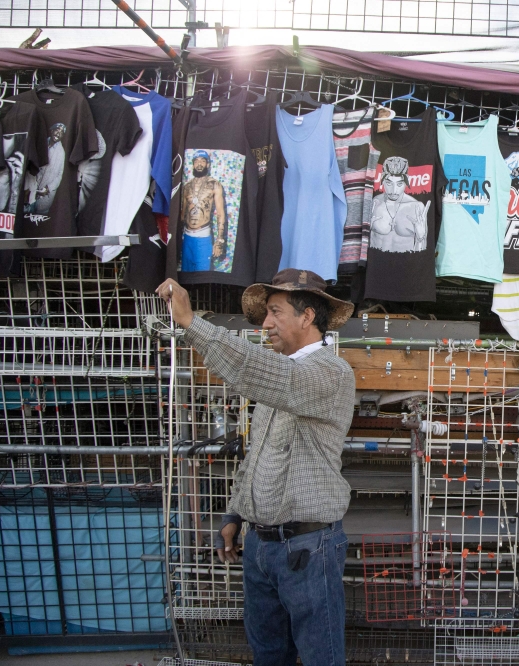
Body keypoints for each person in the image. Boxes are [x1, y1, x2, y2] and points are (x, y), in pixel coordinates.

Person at [156, 268, 356, 666]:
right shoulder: (279, 378)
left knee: (321, 657)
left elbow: (262, 372)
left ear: (307, 316)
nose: (265, 323)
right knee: (268, 655)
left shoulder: (330, 373)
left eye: (275, 312)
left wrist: (192, 324)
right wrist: (235, 512)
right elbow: (257, 455)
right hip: (261, 548)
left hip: (307, 548)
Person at [369, 155, 429, 253]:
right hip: (378, 265)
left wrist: (420, 238)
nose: (394, 190)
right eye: (389, 183)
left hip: (406, 265)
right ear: (382, 179)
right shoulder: (375, 203)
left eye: (399, 184)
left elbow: (422, 252)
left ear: (407, 181)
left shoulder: (416, 207)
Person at [182, 149, 228, 271]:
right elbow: (182, 216)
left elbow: (221, 214)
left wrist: (219, 241)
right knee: (185, 278)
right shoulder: (186, 187)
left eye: (203, 161)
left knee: (203, 277)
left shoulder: (215, 185)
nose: (199, 164)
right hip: (187, 237)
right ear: (192, 164)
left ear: (208, 164)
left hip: (203, 237)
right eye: (196, 161)